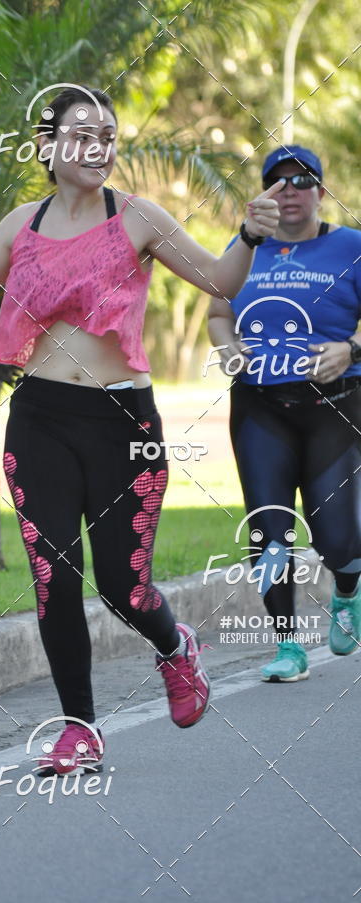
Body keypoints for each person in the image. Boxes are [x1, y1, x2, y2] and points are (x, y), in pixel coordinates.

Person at [0, 85, 281, 773]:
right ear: (47, 145)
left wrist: (250, 234)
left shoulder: (137, 217)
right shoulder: (21, 224)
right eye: (82, 134)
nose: (98, 147)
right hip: (39, 420)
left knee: (124, 585)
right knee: (54, 577)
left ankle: (175, 647)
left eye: (108, 136)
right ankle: (79, 728)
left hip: (122, 424)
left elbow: (219, 281)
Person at [208, 145, 361, 682]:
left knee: (337, 538)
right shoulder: (245, 246)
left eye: (302, 181)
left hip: (334, 402)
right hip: (259, 403)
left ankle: (347, 590)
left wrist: (351, 348)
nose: (290, 191)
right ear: (265, 194)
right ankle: (287, 645)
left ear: (321, 191)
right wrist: (227, 347)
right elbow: (218, 311)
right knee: (268, 528)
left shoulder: (352, 246)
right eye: (279, 182)